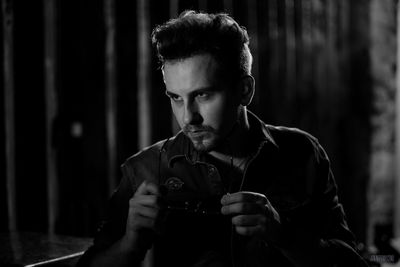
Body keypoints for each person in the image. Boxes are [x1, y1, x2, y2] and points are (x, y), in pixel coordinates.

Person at [77, 10, 368, 267]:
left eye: (202, 95)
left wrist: (283, 234)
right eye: (176, 98)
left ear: (244, 91)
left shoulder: (302, 153)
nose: (188, 117)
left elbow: (351, 262)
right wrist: (130, 245)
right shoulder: (144, 170)